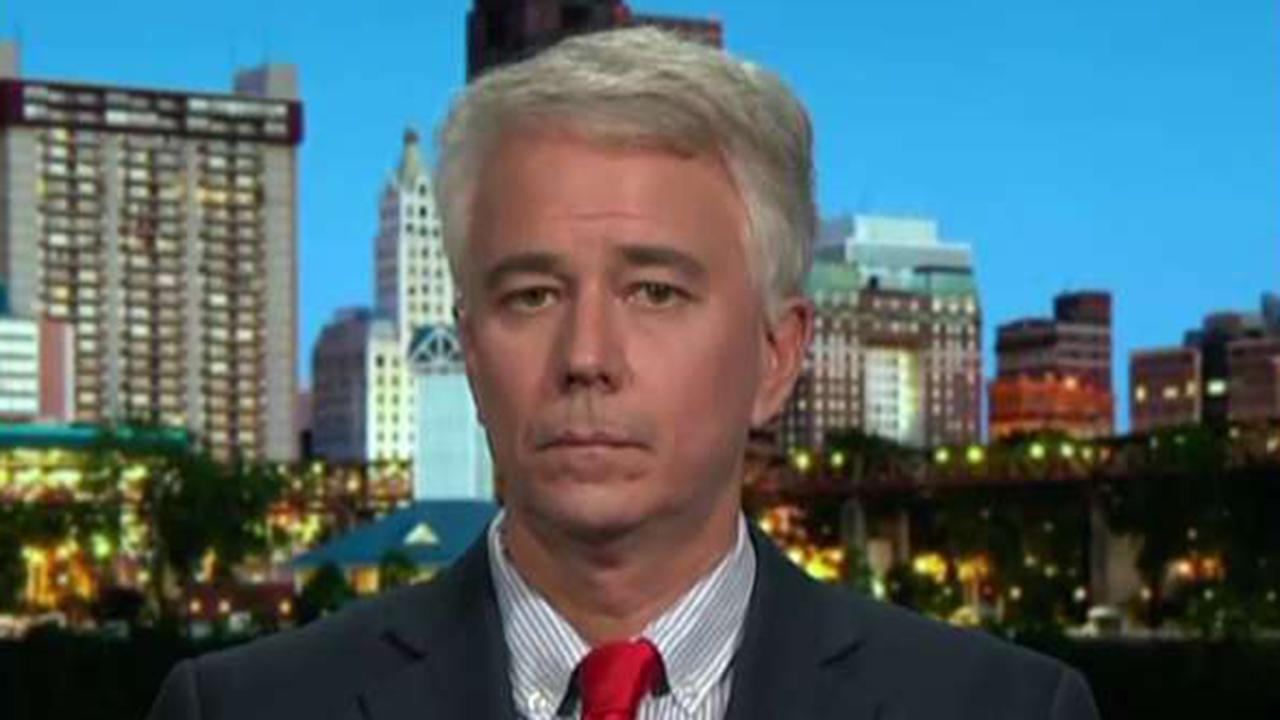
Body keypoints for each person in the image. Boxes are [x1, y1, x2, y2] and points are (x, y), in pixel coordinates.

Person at [149, 27, 1099, 720]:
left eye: (654, 292)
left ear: (777, 356)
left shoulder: (1007, 711)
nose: (587, 358)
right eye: (531, 296)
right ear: (470, 353)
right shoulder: (241, 710)